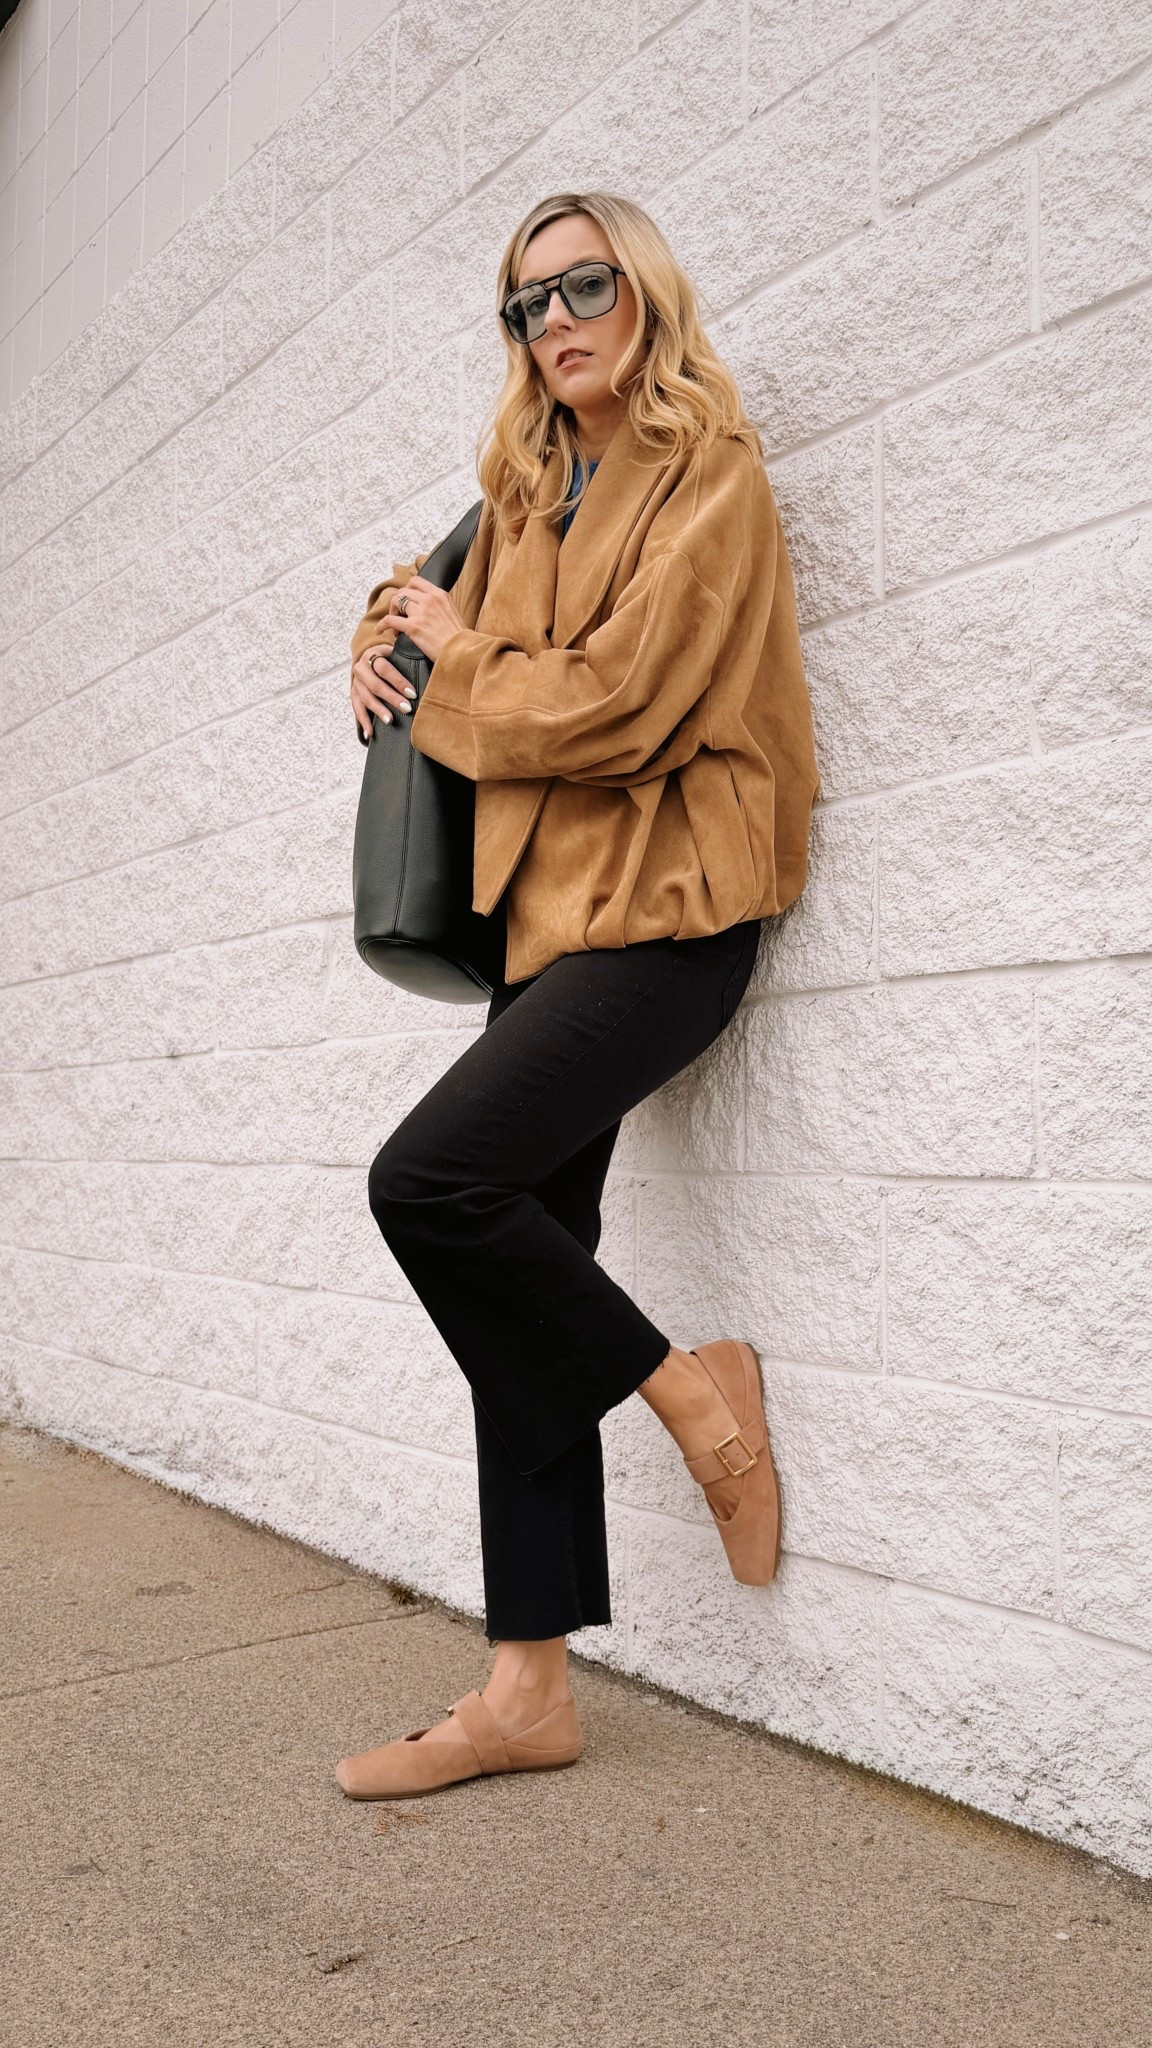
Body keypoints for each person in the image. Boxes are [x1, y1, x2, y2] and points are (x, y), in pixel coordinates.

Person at [337, 190, 821, 1800]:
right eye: (525, 308)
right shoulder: (527, 491)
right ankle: (528, 1687)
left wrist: (458, 655)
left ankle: (697, 1404)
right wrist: (377, 637)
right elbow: (439, 603)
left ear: (643, 289)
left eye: (582, 287)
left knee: (428, 1184)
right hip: (553, 932)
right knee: (508, 1288)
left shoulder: (712, 480)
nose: (555, 324)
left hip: (674, 921)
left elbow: (617, 706)